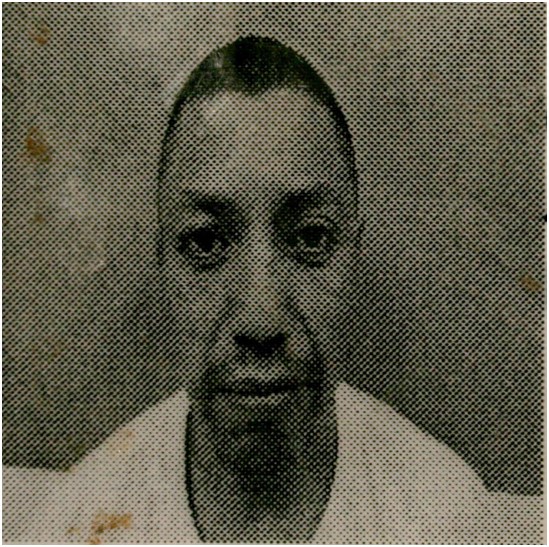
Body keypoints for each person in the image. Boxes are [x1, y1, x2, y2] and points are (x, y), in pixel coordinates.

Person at [3, 36, 543, 544]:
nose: (260, 320)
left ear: (354, 255)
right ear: (162, 261)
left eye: (311, 238)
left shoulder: (445, 518)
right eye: (206, 242)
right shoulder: (76, 524)